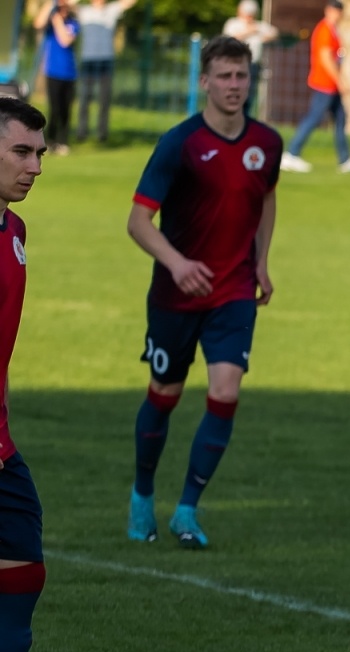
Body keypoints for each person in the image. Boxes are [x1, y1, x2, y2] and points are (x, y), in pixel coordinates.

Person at [124, 35, 281, 549]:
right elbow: (138, 221)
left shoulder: (267, 143)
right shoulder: (180, 143)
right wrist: (177, 262)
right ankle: (143, 493)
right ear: (205, 82)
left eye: (242, 76)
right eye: (225, 76)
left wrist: (260, 260)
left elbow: (266, 200)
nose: (235, 86)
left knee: (226, 392)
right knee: (164, 396)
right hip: (175, 293)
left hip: (233, 289)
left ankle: (187, 511)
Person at [0, 98, 65, 652]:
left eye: (40, 153)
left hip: (1, 445)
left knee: (22, 571)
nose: (36, 166)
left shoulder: (14, 231)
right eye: (21, 152)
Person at [280, 1, 350, 175]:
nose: (337, 15)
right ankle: (291, 154)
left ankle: (345, 159)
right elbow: (326, 58)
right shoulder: (325, 30)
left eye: (339, 12)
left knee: (341, 119)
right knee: (314, 118)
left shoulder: (334, 30)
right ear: (328, 11)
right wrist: (341, 81)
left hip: (331, 84)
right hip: (324, 83)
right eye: (334, 11)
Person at [74, 0, 138, 144]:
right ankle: (81, 133)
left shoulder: (112, 9)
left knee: (104, 99)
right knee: (85, 98)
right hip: (88, 60)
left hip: (106, 60)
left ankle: (102, 134)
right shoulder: (84, 10)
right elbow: (66, 5)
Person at [33, 0, 78, 154]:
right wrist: (50, 4)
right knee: (54, 108)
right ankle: (50, 140)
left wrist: (58, 20)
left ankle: (63, 141)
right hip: (52, 71)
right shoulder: (49, 24)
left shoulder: (72, 23)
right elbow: (37, 23)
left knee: (66, 109)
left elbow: (65, 40)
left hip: (69, 73)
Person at [221, 0, 279, 116]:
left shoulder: (259, 26)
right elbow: (229, 38)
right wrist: (249, 32)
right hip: (234, 64)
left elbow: (274, 34)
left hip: (252, 65)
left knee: (249, 94)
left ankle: (243, 117)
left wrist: (262, 35)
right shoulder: (233, 24)